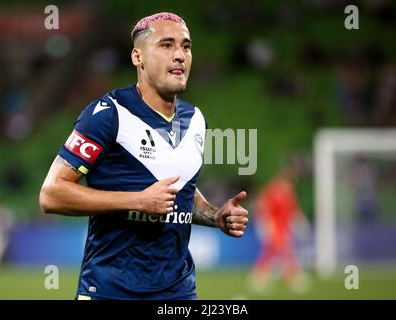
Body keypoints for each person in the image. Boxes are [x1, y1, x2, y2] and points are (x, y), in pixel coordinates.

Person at [39, 12, 249, 300]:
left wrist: (216, 215)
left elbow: (180, 189)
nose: (179, 55)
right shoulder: (108, 114)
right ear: (138, 57)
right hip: (110, 290)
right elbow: (51, 195)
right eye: (166, 45)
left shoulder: (196, 119)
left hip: (178, 292)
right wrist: (137, 200)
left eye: (186, 46)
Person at [247, 156, 310, 294]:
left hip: (284, 228)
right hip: (275, 227)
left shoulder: (288, 190)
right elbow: (264, 207)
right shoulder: (273, 189)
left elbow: (292, 209)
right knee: (281, 252)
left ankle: (260, 277)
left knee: (274, 252)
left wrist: (299, 220)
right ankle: (294, 278)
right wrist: (266, 224)